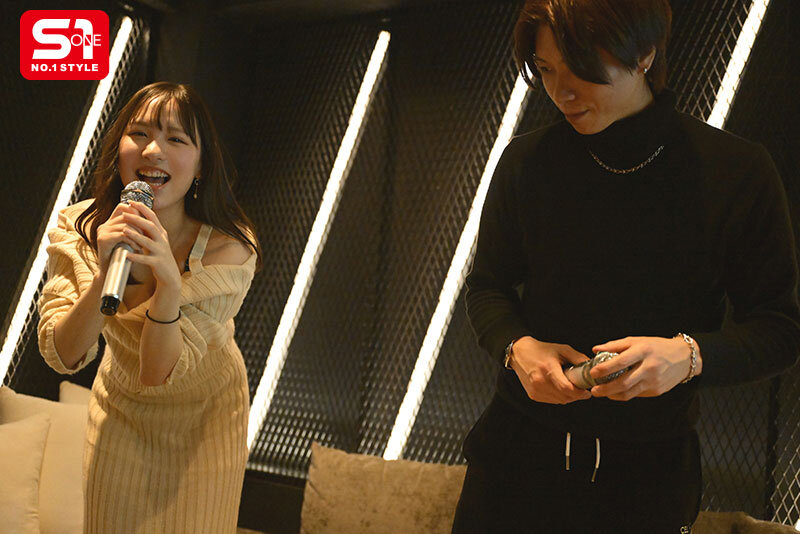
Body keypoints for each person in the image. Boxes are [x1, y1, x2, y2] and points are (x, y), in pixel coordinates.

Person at [452, 1, 800, 532]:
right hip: (514, 461)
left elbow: (780, 329)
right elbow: (487, 287)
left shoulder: (735, 171)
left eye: (581, 69)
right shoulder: (527, 161)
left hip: (646, 478)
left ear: (644, 55)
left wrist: (689, 356)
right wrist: (516, 347)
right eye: (545, 70)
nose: (561, 92)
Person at [37, 82, 262, 533]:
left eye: (176, 139)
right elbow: (61, 354)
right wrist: (105, 274)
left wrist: (169, 283)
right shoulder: (80, 228)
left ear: (201, 166)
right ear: (118, 149)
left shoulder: (229, 250)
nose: (153, 150)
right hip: (121, 409)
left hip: (206, 417)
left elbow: (159, 371)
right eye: (139, 133)